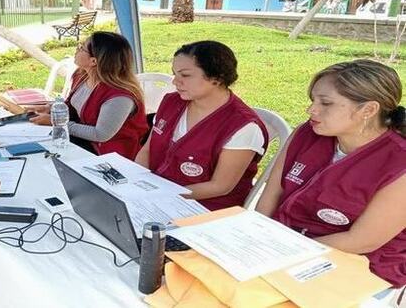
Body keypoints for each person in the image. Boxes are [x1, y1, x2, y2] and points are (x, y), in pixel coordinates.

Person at [256, 60, 405, 287]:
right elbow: (273, 191)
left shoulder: (398, 163)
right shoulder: (307, 133)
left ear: (369, 110)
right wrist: (255, 234)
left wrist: (284, 251)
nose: (311, 110)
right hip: (278, 245)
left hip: (355, 264)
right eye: (313, 100)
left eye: (325, 103)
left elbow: (362, 241)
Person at [135, 41, 268, 211]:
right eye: (175, 74)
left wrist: (161, 194)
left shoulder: (244, 127)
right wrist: (138, 182)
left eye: (186, 75)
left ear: (217, 77)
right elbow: (147, 149)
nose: (176, 82)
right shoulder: (171, 102)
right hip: (154, 196)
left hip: (203, 210)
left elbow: (220, 186)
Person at [29, 31, 148, 159]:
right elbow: (72, 105)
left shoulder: (120, 97)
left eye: (82, 48)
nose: (77, 49)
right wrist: (51, 108)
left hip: (110, 156)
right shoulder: (82, 75)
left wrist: (57, 123)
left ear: (93, 61)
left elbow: (100, 134)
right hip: (84, 142)